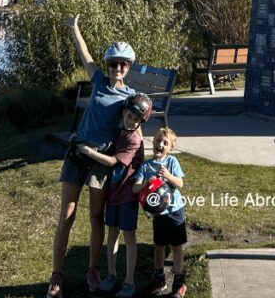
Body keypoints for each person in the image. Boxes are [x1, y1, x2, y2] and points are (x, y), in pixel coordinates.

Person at [46, 19, 137, 298]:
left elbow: (137, 129)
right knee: (67, 216)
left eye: (123, 64)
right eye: (113, 63)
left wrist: (143, 163)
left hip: (100, 160)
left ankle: (92, 268)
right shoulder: (98, 80)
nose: (117, 68)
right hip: (78, 153)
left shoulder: (130, 97)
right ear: (107, 65)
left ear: (129, 67)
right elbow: (84, 54)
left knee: (96, 217)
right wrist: (74, 29)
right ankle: (57, 276)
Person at [79, 92, 152, 298]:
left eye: (135, 119)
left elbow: (112, 162)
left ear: (140, 122)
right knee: (112, 233)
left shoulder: (134, 140)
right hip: (113, 193)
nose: (130, 121)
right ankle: (111, 274)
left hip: (128, 195)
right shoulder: (120, 131)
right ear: (124, 113)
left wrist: (88, 151)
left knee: (128, 236)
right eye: (128, 115)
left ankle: (129, 281)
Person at [133, 126, 188, 298]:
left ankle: (179, 282)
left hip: (175, 211)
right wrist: (143, 184)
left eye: (166, 143)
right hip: (158, 215)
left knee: (177, 246)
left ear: (171, 147)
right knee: (159, 247)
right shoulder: (146, 166)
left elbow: (180, 184)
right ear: (153, 142)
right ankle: (159, 279)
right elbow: (135, 188)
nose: (161, 145)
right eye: (158, 140)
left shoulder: (172, 162)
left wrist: (168, 176)